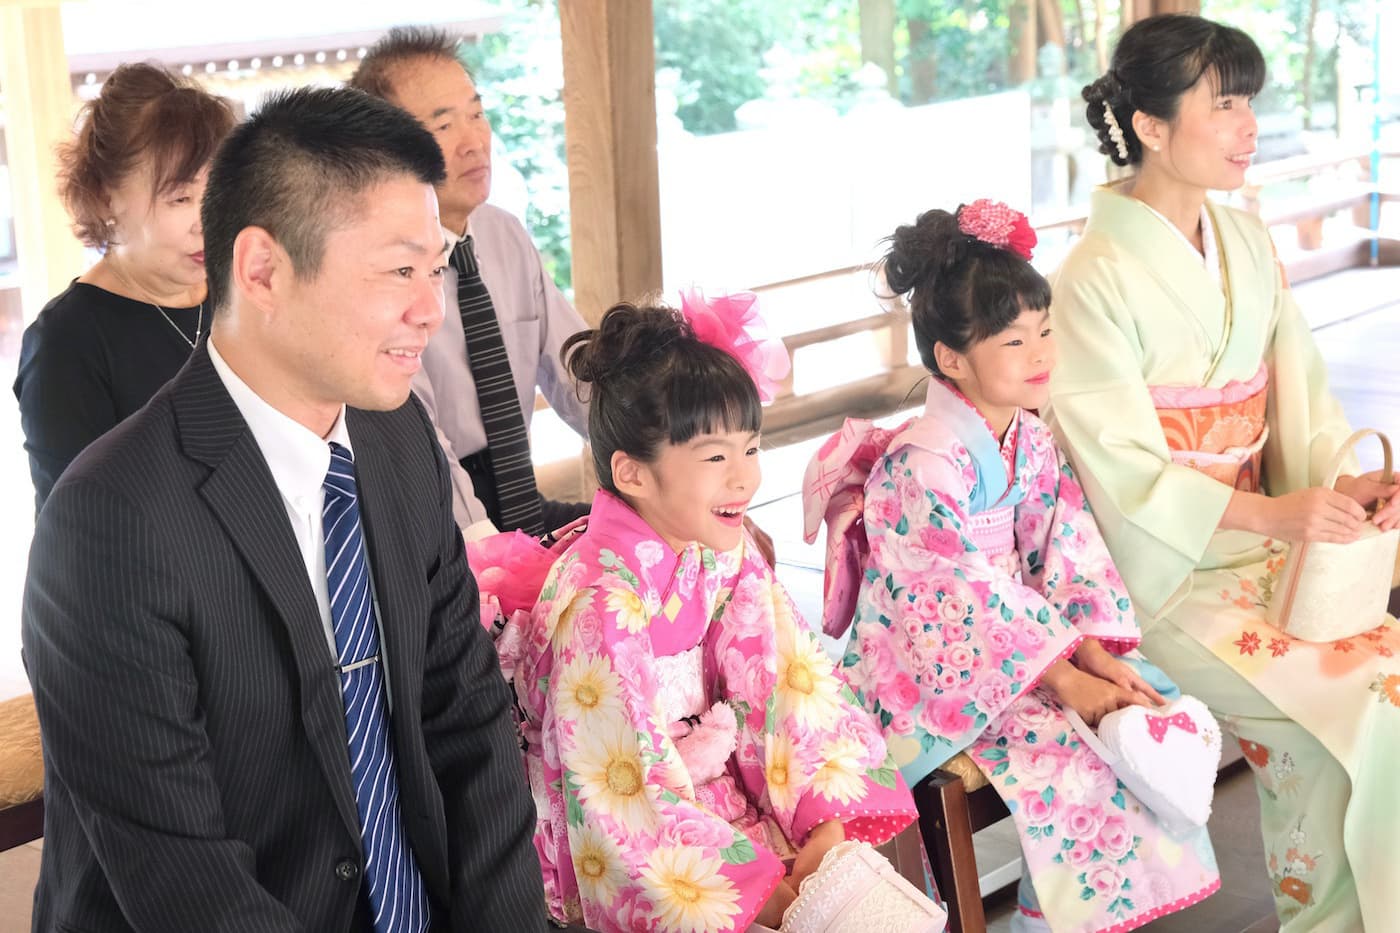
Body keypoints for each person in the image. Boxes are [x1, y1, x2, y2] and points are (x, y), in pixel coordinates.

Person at [22, 86, 550, 932]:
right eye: (399, 270)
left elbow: (468, 720)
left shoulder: (397, 438)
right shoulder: (108, 520)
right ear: (263, 269)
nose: (430, 309)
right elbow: (184, 880)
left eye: (434, 269)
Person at [1046, 14, 1400, 930]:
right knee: (1338, 716)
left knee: (1391, 684)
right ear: (1152, 126)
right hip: (1163, 576)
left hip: (1268, 547)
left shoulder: (1246, 240)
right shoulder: (1092, 275)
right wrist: (1277, 517)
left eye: (1251, 103)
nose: (1250, 127)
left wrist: (1337, 485)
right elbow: (1121, 471)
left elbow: (1301, 392)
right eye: (1227, 105)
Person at [803, 200, 1220, 932]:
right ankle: (1047, 922)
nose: (1041, 354)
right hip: (928, 670)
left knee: (1144, 705)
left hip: (1012, 651)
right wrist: (1064, 676)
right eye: (1014, 340)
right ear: (951, 360)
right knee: (1074, 756)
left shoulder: (1029, 438)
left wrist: (1093, 651)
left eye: (1046, 331)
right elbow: (950, 596)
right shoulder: (920, 465)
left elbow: (1066, 551)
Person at [473, 296, 930, 931]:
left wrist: (822, 827)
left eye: (752, 448)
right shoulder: (598, 597)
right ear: (632, 474)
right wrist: (769, 896)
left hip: (726, 805)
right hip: (656, 844)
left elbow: (784, 683)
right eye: (716, 457)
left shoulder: (719, 550)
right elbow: (621, 793)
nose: (744, 478)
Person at [349, 26, 590, 539]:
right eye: (443, 125)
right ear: (384, 151)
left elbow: (582, 371)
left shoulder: (504, 233)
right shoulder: (374, 270)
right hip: (431, 523)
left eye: (477, 115)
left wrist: (664, 465)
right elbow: (418, 440)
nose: (474, 142)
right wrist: (489, 551)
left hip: (520, 500)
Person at [13, 62, 235, 513]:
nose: (206, 222)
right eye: (180, 198)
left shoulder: (243, 294)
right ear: (105, 197)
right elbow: (75, 524)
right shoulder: (67, 342)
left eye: (216, 193)